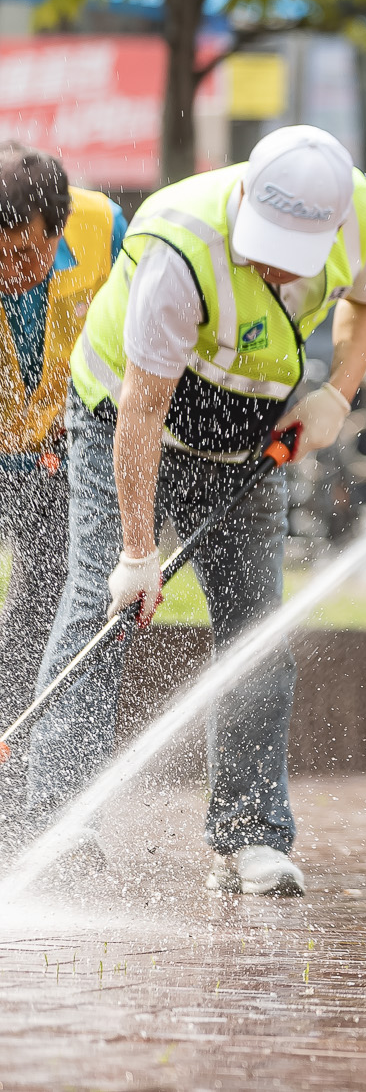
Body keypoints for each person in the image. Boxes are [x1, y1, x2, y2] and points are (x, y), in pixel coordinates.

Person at [38, 126, 366, 895]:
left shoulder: (363, 212)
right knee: (101, 599)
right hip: (122, 416)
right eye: (266, 241)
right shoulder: (181, 242)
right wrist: (137, 553)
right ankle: (61, 814)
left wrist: (337, 393)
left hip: (245, 426)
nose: (273, 262)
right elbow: (142, 403)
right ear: (242, 198)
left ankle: (250, 833)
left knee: (255, 627)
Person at [0, 145, 122, 821]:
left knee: (40, 614)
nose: (11, 273)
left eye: (25, 254)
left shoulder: (106, 228)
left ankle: (23, 798)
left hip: (60, 454)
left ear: (56, 227)